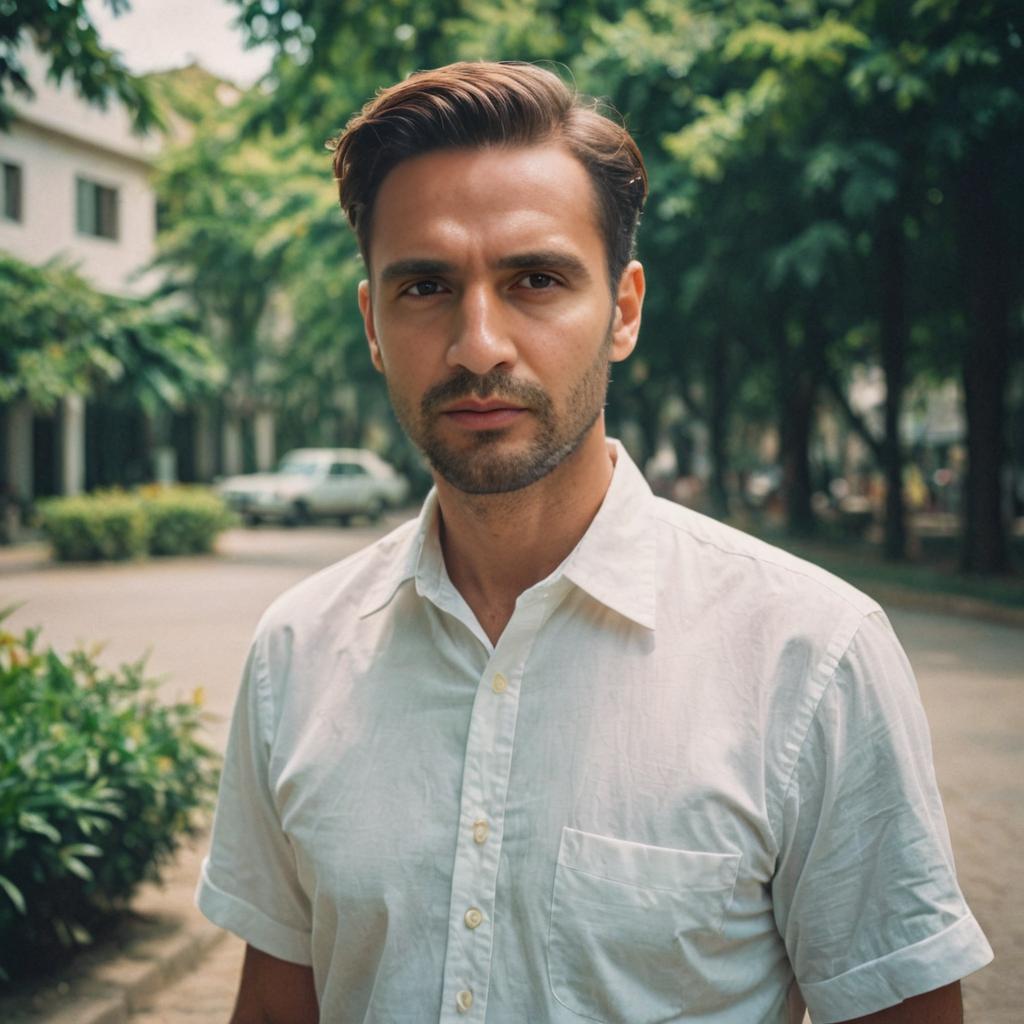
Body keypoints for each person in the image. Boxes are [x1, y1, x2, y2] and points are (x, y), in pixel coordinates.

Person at [196, 61, 992, 1023]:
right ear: (372, 322)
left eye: (535, 279)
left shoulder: (811, 657)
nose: (478, 343)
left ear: (622, 309)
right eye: (424, 286)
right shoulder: (297, 651)